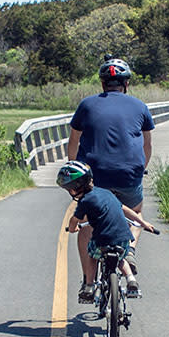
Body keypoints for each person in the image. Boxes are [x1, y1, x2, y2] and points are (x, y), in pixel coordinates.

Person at [66, 56, 154, 298]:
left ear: (103, 84)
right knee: (136, 213)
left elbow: (73, 142)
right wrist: (139, 170)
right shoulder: (140, 106)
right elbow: (146, 146)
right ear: (125, 84)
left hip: (95, 178)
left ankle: (88, 284)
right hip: (128, 177)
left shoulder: (86, 105)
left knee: (86, 222)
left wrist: (75, 170)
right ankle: (130, 250)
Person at [56, 160, 155, 301]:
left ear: (74, 189)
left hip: (102, 239)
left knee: (92, 257)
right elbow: (124, 209)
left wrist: (72, 229)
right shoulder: (107, 193)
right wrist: (143, 222)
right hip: (123, 236)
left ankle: (89, 285)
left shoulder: (85, 201)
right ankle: (131, 279)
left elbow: (74, 220)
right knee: (120, 258)